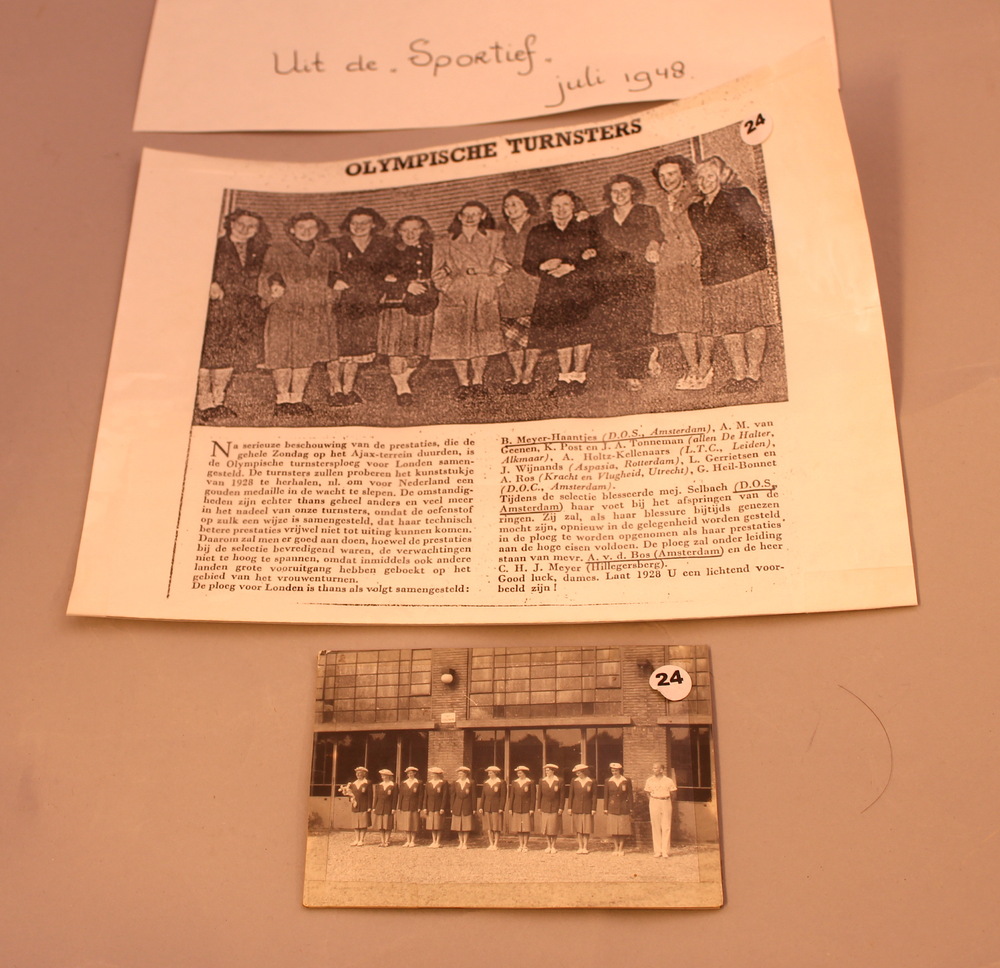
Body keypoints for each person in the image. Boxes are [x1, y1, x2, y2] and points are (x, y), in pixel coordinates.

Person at [686, 155, 777, 392]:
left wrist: (750, 261)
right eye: (700, 178)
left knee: (752, 322)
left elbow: (758, 229)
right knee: (728, 327)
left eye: (710, 176)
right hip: (715, 275)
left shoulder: (739, 196)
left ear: (721, 177)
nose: (705, 182)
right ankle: (738, 375)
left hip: (744, 270)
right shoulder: (694, 209)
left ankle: (753, 375)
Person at [258, 212, 340, 416]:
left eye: (311, 227)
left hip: (314, 309)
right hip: (285, 308)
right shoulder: (277, 250)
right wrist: (274, 288)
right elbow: (267, 274)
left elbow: (335, 276)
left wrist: (332, 293)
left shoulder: (328, 251)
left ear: (319, 230)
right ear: (292, 229)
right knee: (281, 354)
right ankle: (282, 399)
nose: (306, 231)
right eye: (301, 227)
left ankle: (297, 398)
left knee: (306, 354)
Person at [522, 189, 602, 396]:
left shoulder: (586, 228)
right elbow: (528, 263)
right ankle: (564, 377)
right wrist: (542, 265)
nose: (561, 209)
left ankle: (579, 376)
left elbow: (598, 255)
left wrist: (572, 266)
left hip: (581, 287)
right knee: (562, 332)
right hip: (553, 289)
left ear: (574, 206)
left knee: (582, 332)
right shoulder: (539, 231)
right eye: (556, 205)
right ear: (549, 208)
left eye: (566, 204)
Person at [593, 174, 664, 391]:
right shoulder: (602, 218)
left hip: (639, 275)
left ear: (633, 191)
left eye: (624, 190)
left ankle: (634, 372)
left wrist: (653, 248)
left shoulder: (646, 211)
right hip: (611, 278)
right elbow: (593, 242)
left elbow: (655, 235)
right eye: (615, 191)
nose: (620, 195)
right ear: (609, 194)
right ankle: (640, 360)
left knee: (637, 322)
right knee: (617, 326)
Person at [429, 201, 506, 398]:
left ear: (483, 216)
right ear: (459, 216)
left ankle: (478, 381)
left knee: (482, 338)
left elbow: (502, 264)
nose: (470, 218)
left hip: (483, 291)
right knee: (458, 340)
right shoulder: (444, 241)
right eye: (466, 214)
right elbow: (437, 272)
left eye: (476, 214)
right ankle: (463, 383)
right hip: (456, 294)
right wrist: (450, 288)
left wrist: (491, 283)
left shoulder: (495, 238)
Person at [198, 208, 269, 421]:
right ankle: (204, 402)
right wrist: (210, 283)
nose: (245, 229)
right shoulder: (214, 245)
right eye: (241, 224)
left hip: (243, 311)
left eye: (251, 226)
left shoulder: (259, 250)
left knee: (228, 357)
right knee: (208, 355)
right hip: (216, 309)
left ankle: (218, 401)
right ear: (231, 223)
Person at [649, 155, 709, 390]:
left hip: (694, 263)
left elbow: (707, 230)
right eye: (662, 176)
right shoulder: (657, 205)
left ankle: (705, 365)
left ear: (683, 174)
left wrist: (702, 253)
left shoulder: (697, 197)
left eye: (672, 174)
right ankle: (692, 366)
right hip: (669, 266)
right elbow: (655, 234)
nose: (667, 179)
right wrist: (653, 247)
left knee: (700, 316)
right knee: (680, 319)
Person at [328, 207, 396, 406]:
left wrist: (388, 279)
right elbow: (322, 268)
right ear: (348, 224)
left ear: (373, 224)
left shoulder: (384, 244)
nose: (359, 227)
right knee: (336, 347)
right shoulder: (335, 244)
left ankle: (348, 389)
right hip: (341, 301)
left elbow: (392, 269)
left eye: (364, 223)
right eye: (354, 223)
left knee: (357, 349)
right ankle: (335, 390)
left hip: (368, 301)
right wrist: (333, 281)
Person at [377, 216, 436, 406]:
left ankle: (404, 380)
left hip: (424, 303)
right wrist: (405, 285)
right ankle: (402, 389)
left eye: (415, 229)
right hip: (397, 304)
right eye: (405, 230)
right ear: (398, 232)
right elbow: (380, 277)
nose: (410, 234)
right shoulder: (389, 251)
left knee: (418, 352)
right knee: (396, 350)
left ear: (423, 230)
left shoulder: (430, 250)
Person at [496, 189, 542, 392]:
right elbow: (490, 254)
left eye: (514, 204)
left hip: (534, 281)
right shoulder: (499, 230)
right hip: (508, 285)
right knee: (511, 333)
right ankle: (516, 373)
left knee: (533, 332)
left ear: (526, 206)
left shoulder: (540, 224)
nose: (510, 208)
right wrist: (496, 263)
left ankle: (528, 374)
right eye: (506, 205)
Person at [643, 761, 678, 858]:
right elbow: (647, 792)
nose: (653, 770)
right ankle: (657, 851)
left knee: (666, 826)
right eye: (653, 768)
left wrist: (667, 801)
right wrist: (652, 800)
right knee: (655, 826)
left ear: (661, 770)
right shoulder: (650, 780)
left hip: (666, 801)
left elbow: (673, 793)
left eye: (655, 768)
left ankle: (665, 851)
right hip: (654, 801)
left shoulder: (668, 780)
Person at [603, 762, 633, 855]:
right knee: (614, 829)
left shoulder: (626, 780)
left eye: (616, 771)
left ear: (620, 771)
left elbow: (630, 795)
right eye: (612, 771)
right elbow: (606, 795)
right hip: (612, 807)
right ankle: (616, 848)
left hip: (624, 807)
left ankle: (621, 848)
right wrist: (605, 808)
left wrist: (631, 807)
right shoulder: (608, 781)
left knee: (622, 829)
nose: (614, 772)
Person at [566, 763, 596, 854]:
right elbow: (571, 795)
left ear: (584, 772)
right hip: (577, 807)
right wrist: (569, 807)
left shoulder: (591, 781)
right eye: (576, 773)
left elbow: (594, 796)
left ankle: (585, 847)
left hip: (587, 808)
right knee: (578, 829)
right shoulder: (574, 781)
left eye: (579, 773)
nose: (577, 774)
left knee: (586, 829)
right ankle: (580, 847)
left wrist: (593, 808)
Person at [535, 762, 564, 853]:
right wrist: (539, 807)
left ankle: (553, 846)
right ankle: (548, 845)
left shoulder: (559, 780)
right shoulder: (542, 780)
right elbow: (539, 795)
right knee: (547, 827)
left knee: (554, 827)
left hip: (555, 807)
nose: (546, 772)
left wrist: (561, 807)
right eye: (546, 770)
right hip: (545, 807)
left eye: (548, 770)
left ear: (553, 771)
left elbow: (562, 796)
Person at [478, 765, 507, 850]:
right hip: (487, 807)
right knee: (489, 827)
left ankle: (496, 844)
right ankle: (491, 844)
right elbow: (483, 796)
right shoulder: (486, 782)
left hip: (496, 807)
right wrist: (481, 806)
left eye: (490, 773)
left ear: (495, 773)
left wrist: (501, 807)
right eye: (488, 773)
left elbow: (503, 796)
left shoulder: (501, 782)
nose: (489, 774)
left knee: (496, 827)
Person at [342, 765, 372, 847]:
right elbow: (350, 794)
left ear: (364, 774)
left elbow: (370, 796)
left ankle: (361, 840)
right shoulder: (353, 784)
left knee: (363, 824)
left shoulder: (367, 783)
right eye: (357, 773)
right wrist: (351, 799)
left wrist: (369, 806)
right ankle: (356, 839)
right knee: (356, 824)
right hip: (355, 806)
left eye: (360, 773)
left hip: (364, 806)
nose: (358, 774)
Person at [507, 765, 535, 852]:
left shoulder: (530, 782)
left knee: (526, 828)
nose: (518, 774)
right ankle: (520, 845)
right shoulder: (515, 782)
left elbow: (533, 797)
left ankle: (525, 845)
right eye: (518, 773)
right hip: (517, 808)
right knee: (519, 828)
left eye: (520, 773)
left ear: (524, 773)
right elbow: (512, 796)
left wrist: (531, 808)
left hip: (526, 808)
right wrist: (510, 808)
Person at [395, 765, 423, 847]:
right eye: (408, 773)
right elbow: (401, 795)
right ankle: (407, 840)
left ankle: (412, 841)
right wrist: (399, 806)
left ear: (414, 773)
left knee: (414, 824)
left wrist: (419, 806)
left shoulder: (419, 782)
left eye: (411, 773)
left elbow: (421, 795)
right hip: (405, 805)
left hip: (414, 806)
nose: (410, 774)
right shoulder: (403, 783)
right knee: (407, 824)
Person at [449, 766, 476, 848]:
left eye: (461, 773)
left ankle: (465, 843)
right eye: (459, 774)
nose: (459, 775)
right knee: (458, 826)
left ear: (465, 774)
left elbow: (473, 796)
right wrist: (452, 807)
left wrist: (474, 808)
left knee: (466, 826)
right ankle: (460, 842)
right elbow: (452, 796)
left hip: (467, 806)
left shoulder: (471, 782)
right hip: (457, 806)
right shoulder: (455, 783)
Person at [423, 766, 449, 848]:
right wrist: (425, 807)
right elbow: (425, 796)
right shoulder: (428, 783)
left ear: (438, 775)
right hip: (430, 806)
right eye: (432, 774)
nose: (433, 775)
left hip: (439, 807)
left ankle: (438, 841)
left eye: (435, 774)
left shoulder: (443, 783)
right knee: (432, 825)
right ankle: (433, 841)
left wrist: (442, 807)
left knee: (438, 824)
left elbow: (445, 796)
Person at [371, 768, 398, 847]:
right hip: (379, 807)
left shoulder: (393, 785)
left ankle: (387, 841)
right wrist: (374, 807)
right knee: (381, 826)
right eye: (382, 775)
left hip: (388, 808)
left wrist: (393, 808)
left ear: (388, 776)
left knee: (387, 825)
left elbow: (395, 798)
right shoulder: (379, 785)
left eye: (384, 775)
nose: (382, 777)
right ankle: (382, 841)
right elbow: (376, 797)